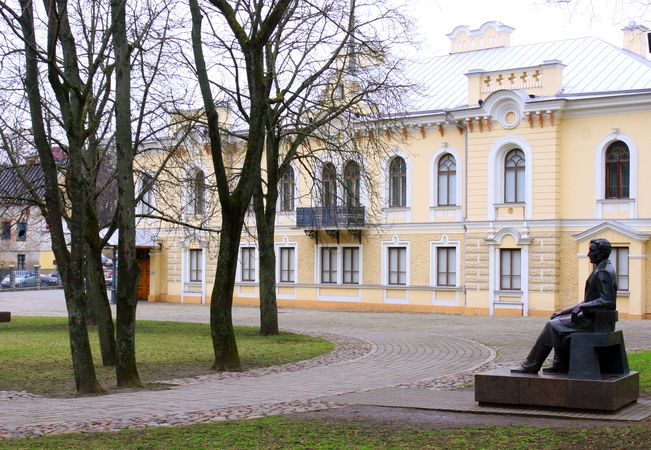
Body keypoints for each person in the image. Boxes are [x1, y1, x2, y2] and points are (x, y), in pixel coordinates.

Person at [511, 238, 617, 374]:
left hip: (594, 323)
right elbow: (588, 301)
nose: (588, 254)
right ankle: (560, 364)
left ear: (602, 253)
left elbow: (608, 301)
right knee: (557, 321)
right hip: (594, 319)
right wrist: (563, 312)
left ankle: (532, 364)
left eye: (592, 251)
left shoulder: (603, 272)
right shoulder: (602, 268)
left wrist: (583, 308)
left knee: (552, 326)